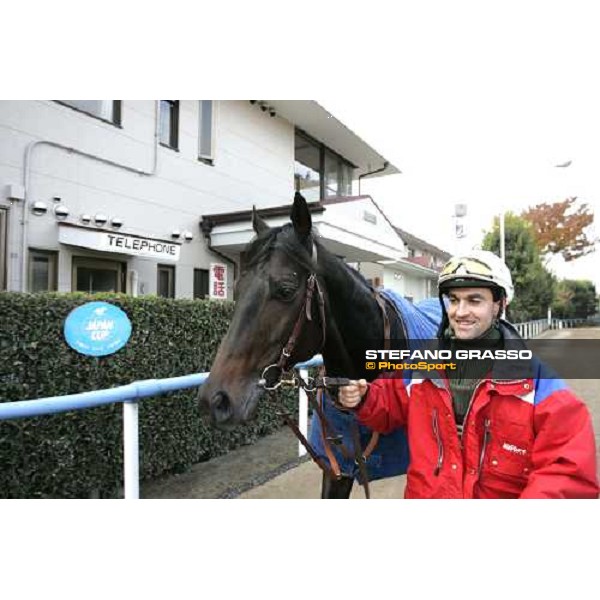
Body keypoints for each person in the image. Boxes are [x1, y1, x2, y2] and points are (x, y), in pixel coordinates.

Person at [339, 250, 599, 498]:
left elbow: (568, 471)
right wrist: (364, 397)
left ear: (499, 304)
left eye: (474, 300)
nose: (460, 312)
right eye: (454, 300)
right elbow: (389, 403)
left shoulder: (540, 385)